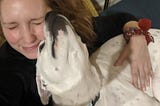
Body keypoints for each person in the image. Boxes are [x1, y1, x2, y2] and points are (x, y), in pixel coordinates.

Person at [0, 0, 153, 105]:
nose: (28, 38)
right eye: (12, 27)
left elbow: (121, 19)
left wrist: (137, 35)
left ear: (56, 12)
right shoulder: (8, 69)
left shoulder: (75, 32)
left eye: (37, 22)